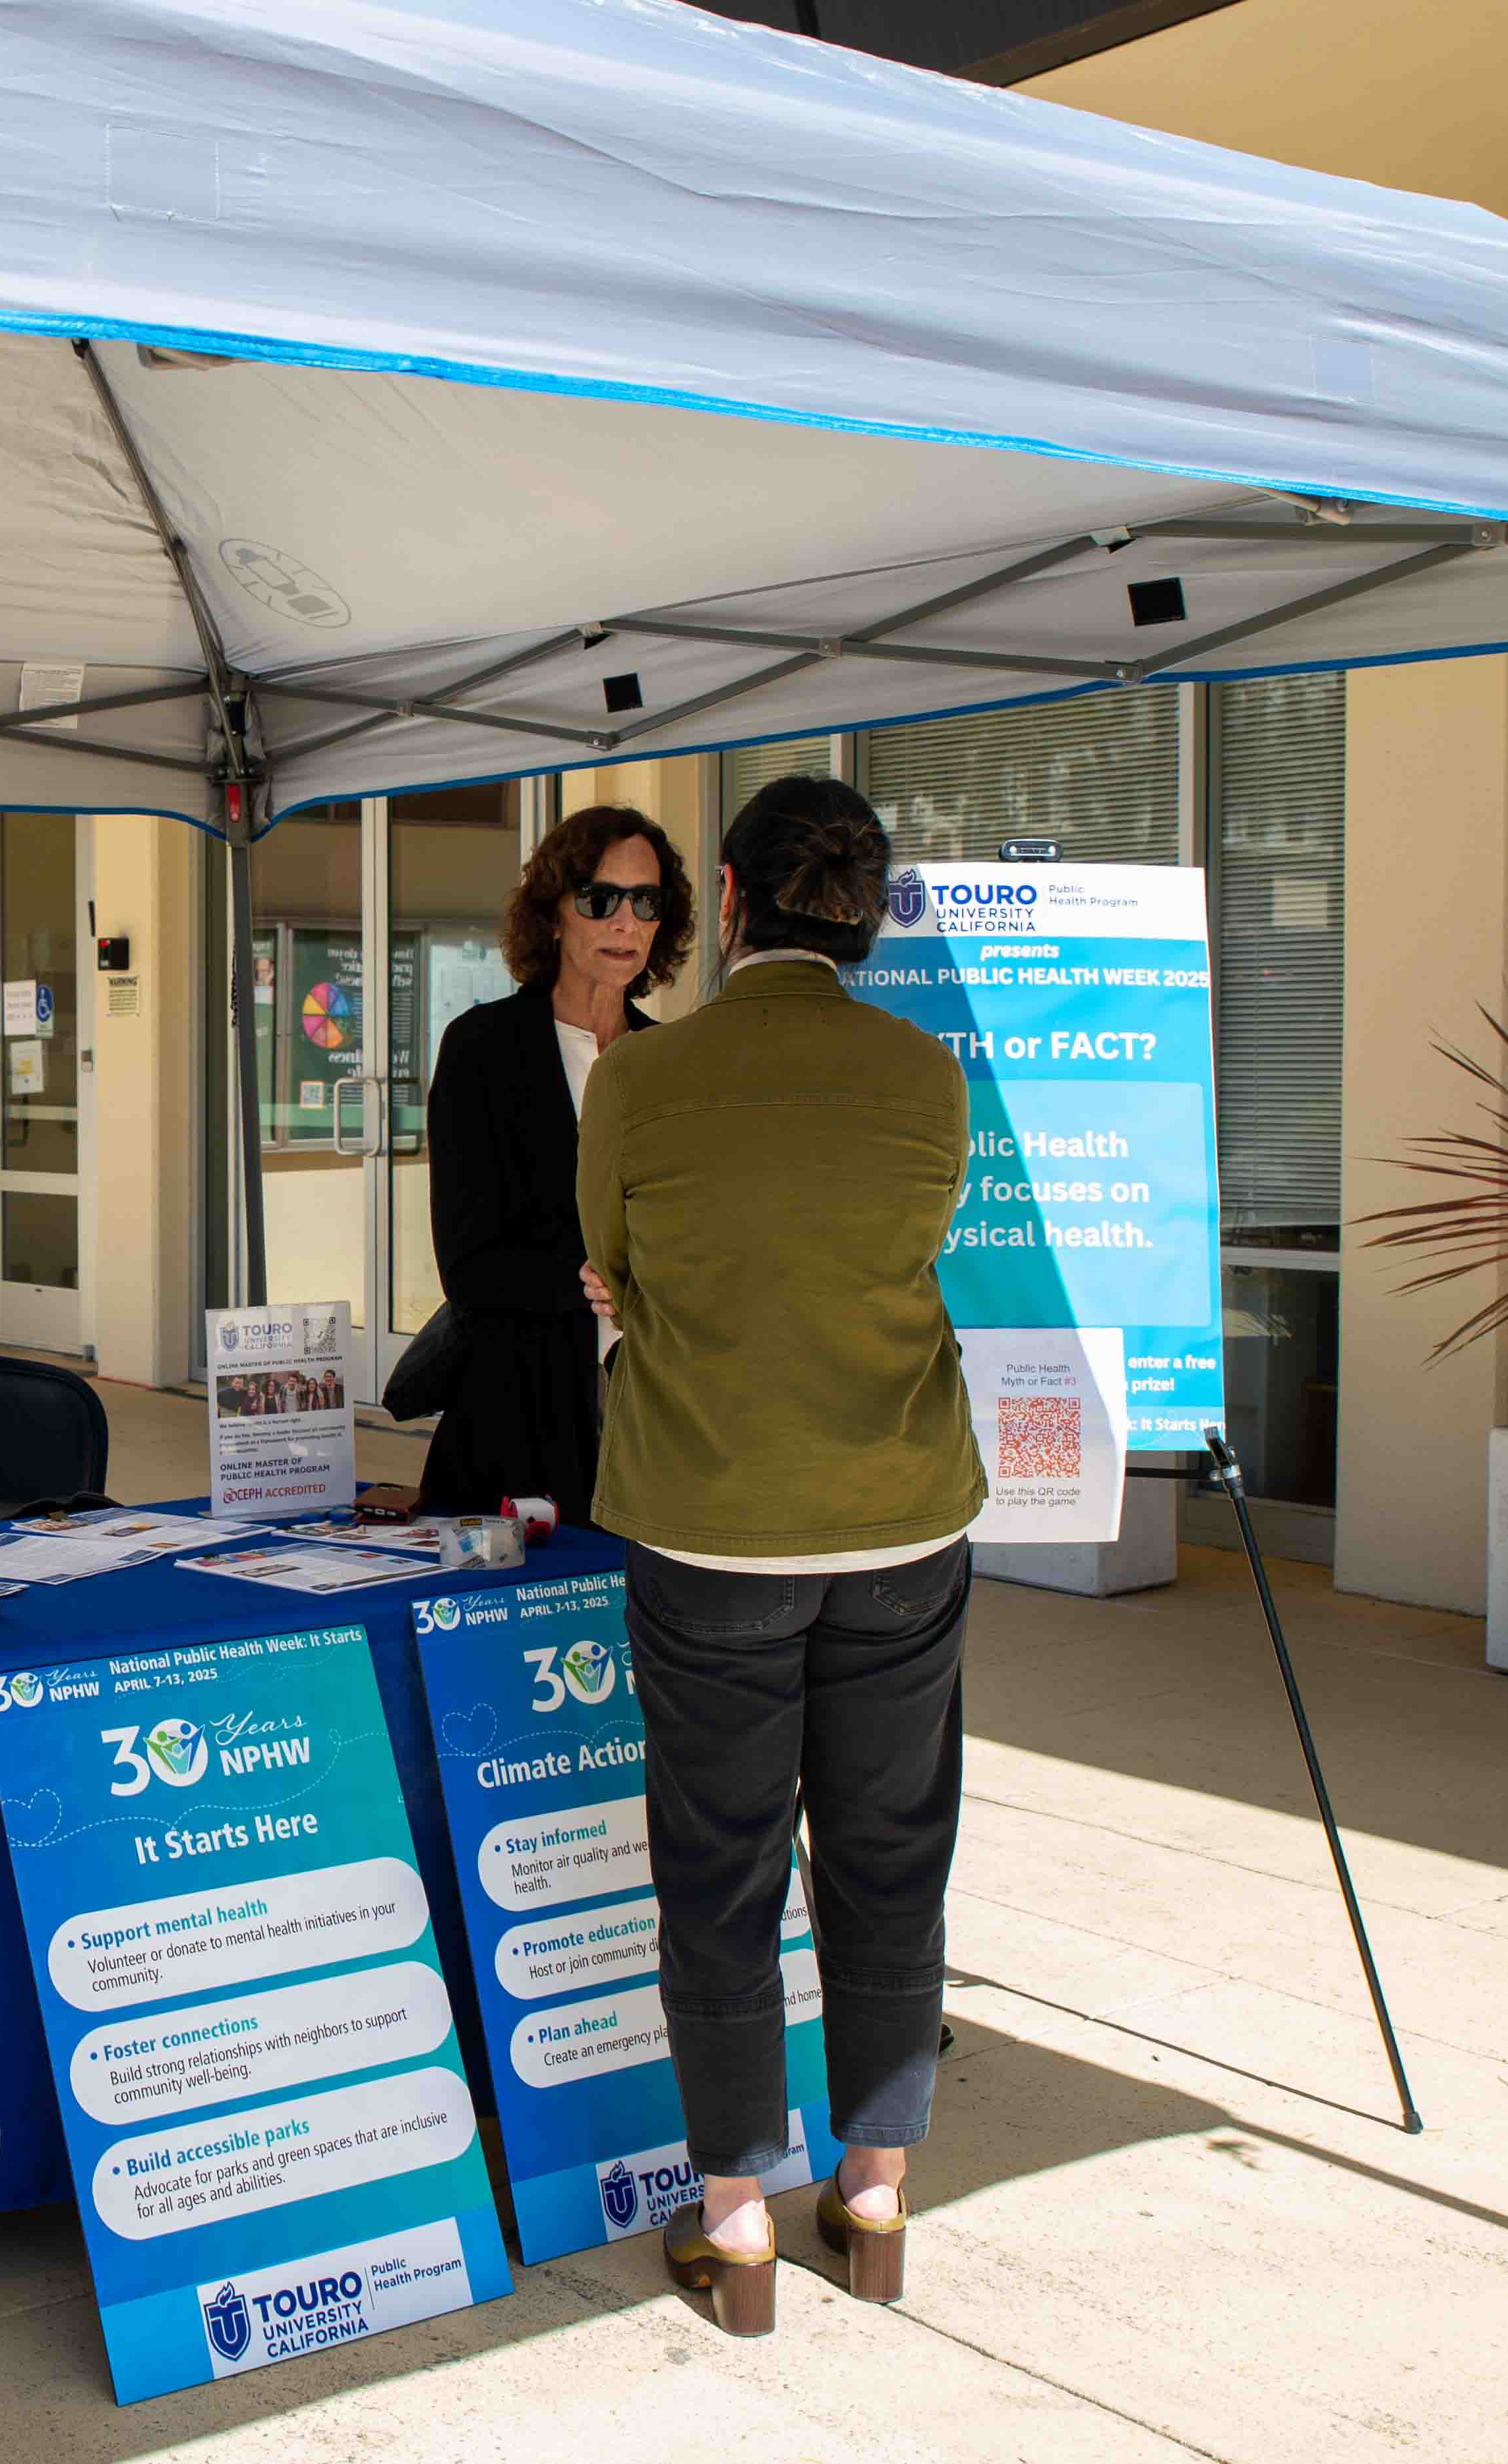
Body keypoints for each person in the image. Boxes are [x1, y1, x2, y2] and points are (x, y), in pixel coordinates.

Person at [576, 774, 984, 2333]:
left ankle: (736, 2222)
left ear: (731, 902)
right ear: (867, 915)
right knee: (892, 1854)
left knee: (722, 1867)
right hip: (901, 1517)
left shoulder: (638, 1076)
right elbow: (909, 1242)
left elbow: (607, 1254)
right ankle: (873, 2196)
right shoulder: (926, 1077)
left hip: (710, 1524)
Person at [411, 804, 693, 1525]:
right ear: (554, 913)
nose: (624, 922)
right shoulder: (484, 1048)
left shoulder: (672, 1062)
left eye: (646, 902)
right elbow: (470, 1264)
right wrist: (606, 1277)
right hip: (517, 1408)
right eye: (600, 900)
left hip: (655, 1412)